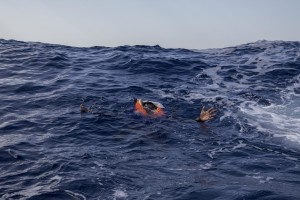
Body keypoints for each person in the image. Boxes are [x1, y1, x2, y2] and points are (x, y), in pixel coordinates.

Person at [80, 99, 216, 123]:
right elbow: (110, 115)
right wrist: (89, 112)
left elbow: (185, 122)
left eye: (151, 106)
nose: (147, 107)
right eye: (145, 104)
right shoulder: (130, 114)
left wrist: (200, 120)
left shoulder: (166, 118)